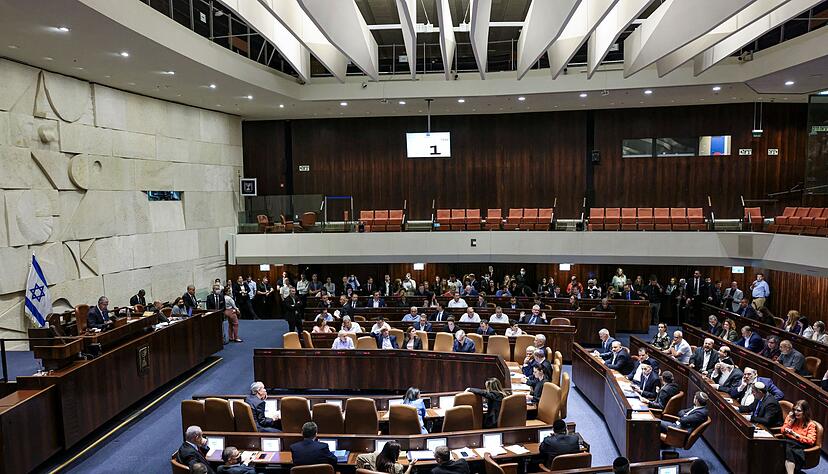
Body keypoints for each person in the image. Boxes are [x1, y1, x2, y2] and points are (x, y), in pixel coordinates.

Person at [781, 400, 818, 474]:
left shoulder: (811, 424)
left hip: (799, 444)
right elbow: (782, 431)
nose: (795, 412)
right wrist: (790, 422)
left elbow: (811, 441)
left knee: (788, 449)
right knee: (783, 447)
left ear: (805, 412)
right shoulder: (791, 417)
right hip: (788, 441)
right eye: (794, 409)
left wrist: (796, 435)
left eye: (798, 410)